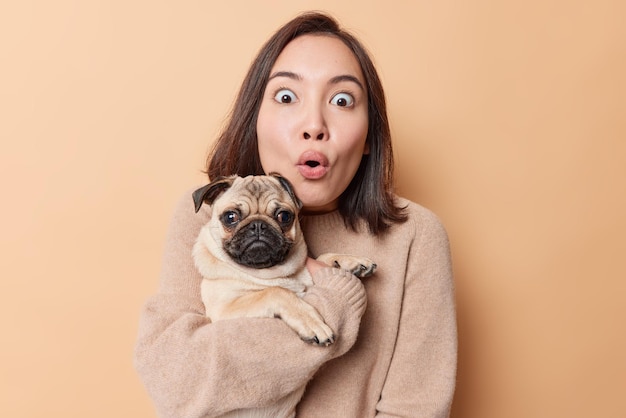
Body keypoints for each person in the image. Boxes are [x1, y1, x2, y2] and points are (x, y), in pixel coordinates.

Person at [134, 11, 457, 418]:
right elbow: (175, 384)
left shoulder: (416, 236)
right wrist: (329, 305)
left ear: (372, 135)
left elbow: (416, 409)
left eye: (342, 100)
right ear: (255, 119)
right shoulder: (208, 218)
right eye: (287, 97)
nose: (314, 125)